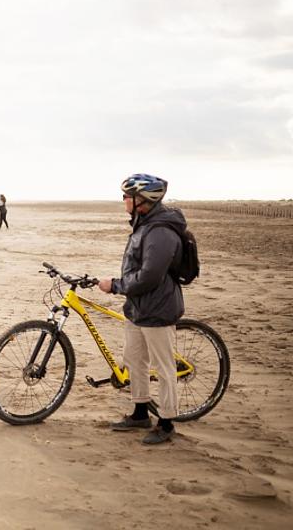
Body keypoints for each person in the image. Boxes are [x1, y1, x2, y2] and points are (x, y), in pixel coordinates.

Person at [98, 173, 186, 445]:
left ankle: (167, 422)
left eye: (127, 196)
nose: (123, 200)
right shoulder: (143, 225)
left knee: (164, 367)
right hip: (138, 308)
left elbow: (149, 276)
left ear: (142, 201)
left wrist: (115, 285)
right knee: (135, 360)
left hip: (157, 309)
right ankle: (140, 413)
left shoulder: (160, 231)